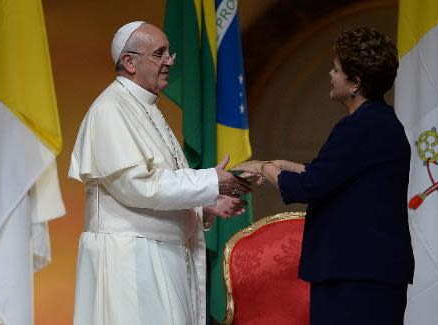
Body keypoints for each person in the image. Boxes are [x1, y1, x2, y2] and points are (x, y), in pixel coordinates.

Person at [68, 21, 250, 325]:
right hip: (131, 261)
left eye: (169, 53)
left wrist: (203, 202)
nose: (169, 61)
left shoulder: (144, 106)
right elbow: (136, 186)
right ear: (129, 61)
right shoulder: (110, 109)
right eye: (159, 53)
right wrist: (210, 179)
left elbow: (158, 184)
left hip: (158, 256)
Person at [233, 26, 414, 325]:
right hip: (370, 273)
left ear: (355, 82)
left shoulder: (359, 126)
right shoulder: (380, 122)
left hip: (355, 276)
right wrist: (281, 164)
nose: (330, 74)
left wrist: (265, 169)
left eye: (336, 69)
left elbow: (310, 186)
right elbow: (333, 174)